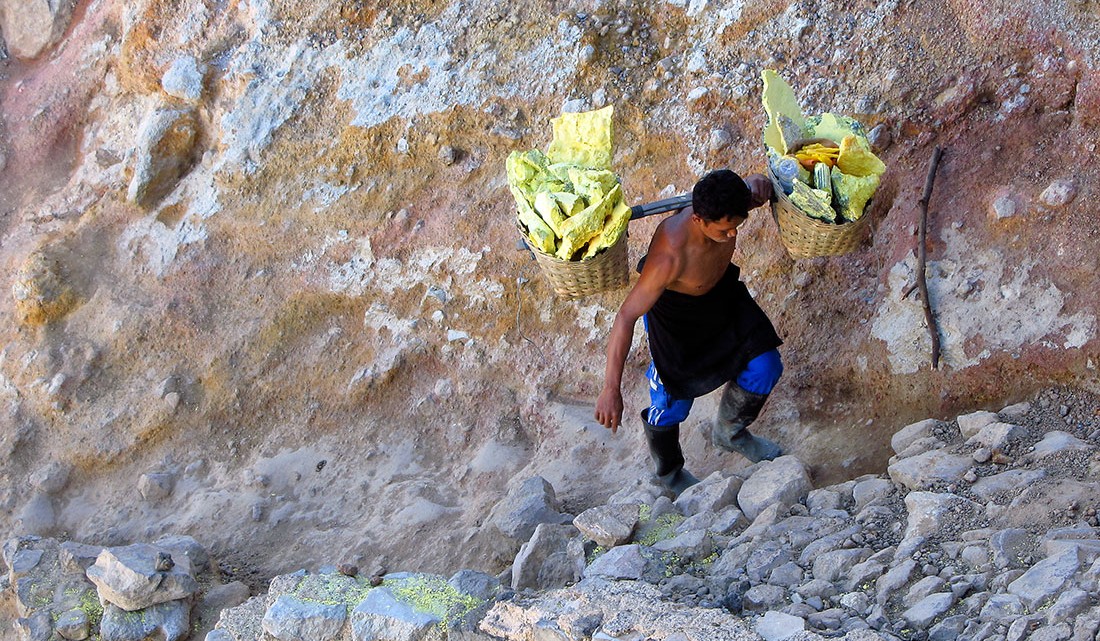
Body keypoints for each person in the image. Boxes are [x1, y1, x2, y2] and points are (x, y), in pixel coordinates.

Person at [594, 169, 785, 496]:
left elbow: (753, 184)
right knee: (673, 401)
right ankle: (668, 472)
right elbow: (625, 317)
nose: (730, 236)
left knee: (766, 365)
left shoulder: (729, 205)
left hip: (722, 296)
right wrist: (611, 388)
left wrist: (759, 182)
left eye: (735, 228)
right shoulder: (669, 256)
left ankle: (730, 432)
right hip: (676, 316)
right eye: (724, 230)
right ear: (698, 219)